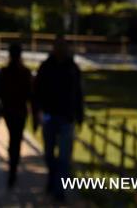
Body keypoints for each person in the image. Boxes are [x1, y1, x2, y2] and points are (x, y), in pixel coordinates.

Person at [34, 35, 84, 203]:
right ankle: (52, 177)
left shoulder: (72, 68)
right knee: (49, 153)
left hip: (66, 117)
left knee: (64, 156)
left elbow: (78, 93)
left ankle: (59, 189)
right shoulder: (46, 67)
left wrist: (79, 114)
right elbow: (37, 91)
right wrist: (38, 113)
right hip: (49, 115)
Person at [0, 41, 34, 188]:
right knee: (16, 139)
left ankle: (12, 165)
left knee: (14, 138)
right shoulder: (24, 72)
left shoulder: (6, 72)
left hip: (11, 111)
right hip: (18, 111)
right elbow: (31, 94)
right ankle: (13, 164)